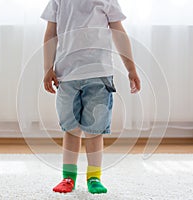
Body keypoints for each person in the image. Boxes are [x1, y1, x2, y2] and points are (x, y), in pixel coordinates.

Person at [41, 0, 141, 194]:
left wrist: (131, 68)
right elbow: (50, 34)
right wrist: (48, 68)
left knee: (94, 130)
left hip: (99, 75)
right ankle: (68, 177)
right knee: (71, 129)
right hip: (67, 76)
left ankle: (94, 176)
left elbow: (119, 33)